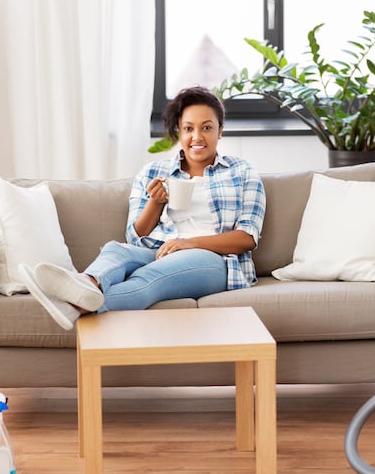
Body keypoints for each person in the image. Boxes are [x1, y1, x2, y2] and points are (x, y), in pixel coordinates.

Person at [19, 86, 266, 330]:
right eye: (189, 128)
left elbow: (247, 237)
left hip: (216, 261)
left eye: (207, 127)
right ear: (179, 131)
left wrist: (190, 243)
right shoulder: (153, 172)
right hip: (159, 251)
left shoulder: (241, 172)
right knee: (117, 250)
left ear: (220, 131)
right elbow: (136, 237)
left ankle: (71, 306)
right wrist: (156, 203)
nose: (197, 137)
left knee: (148, 278)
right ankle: (85, 283)